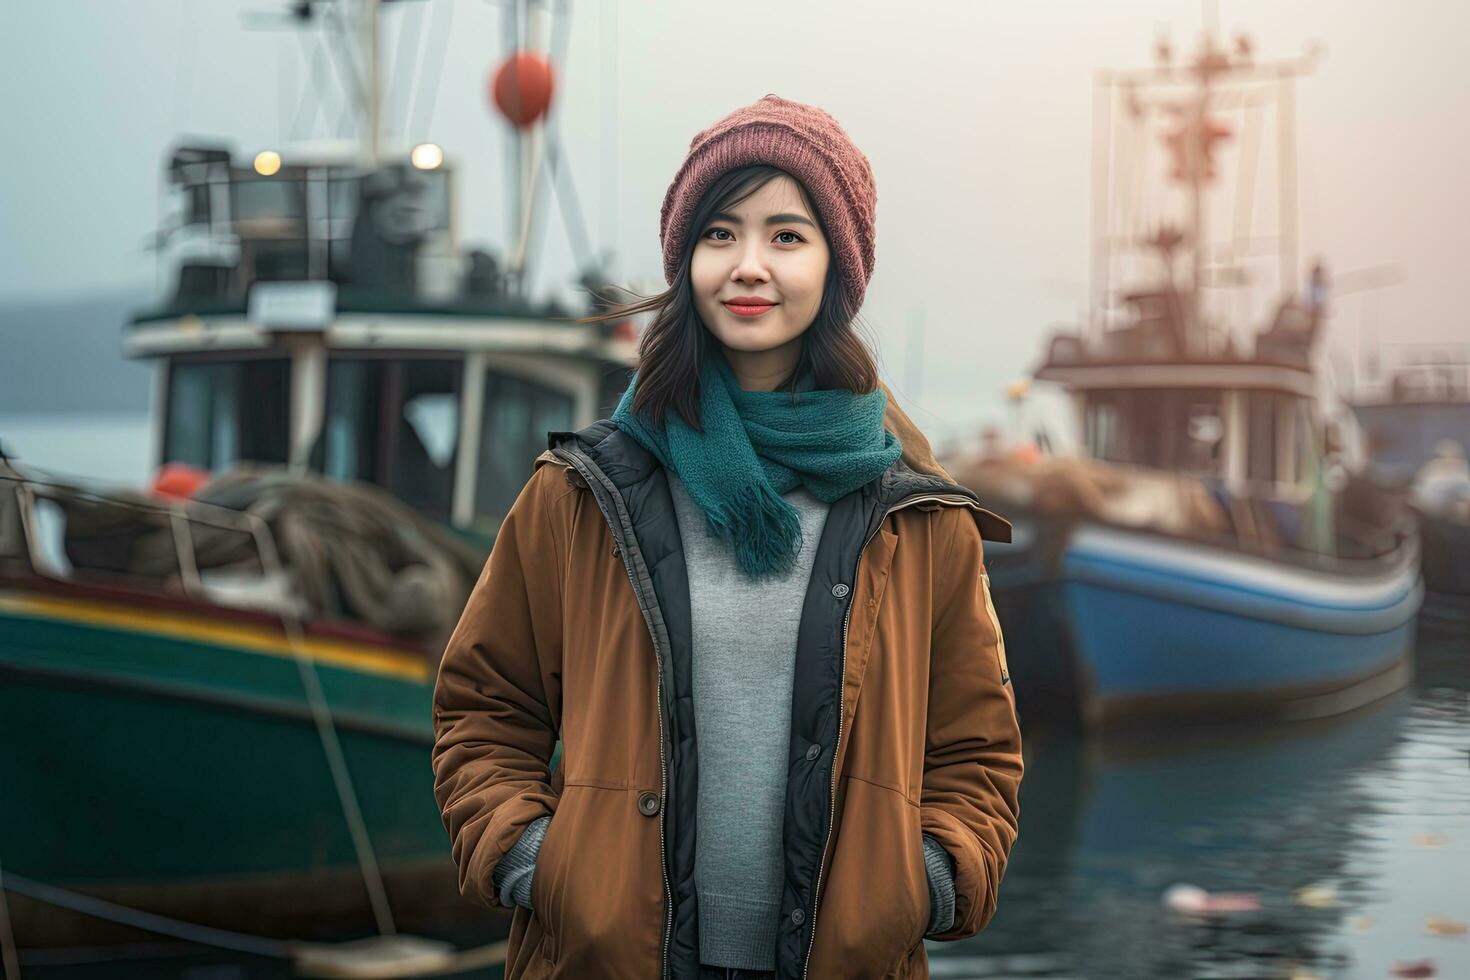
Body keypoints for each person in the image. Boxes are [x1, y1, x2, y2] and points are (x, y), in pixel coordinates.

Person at [431, 94, 1023, 980]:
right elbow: (483, 707)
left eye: (787, 235)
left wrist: (924, 881)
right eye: (719, 234)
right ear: (685, 259)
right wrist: (539, 864)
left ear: (838, 265)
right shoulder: (583, 494)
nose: (749, 266)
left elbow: (976, 751)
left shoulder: (917, 516)